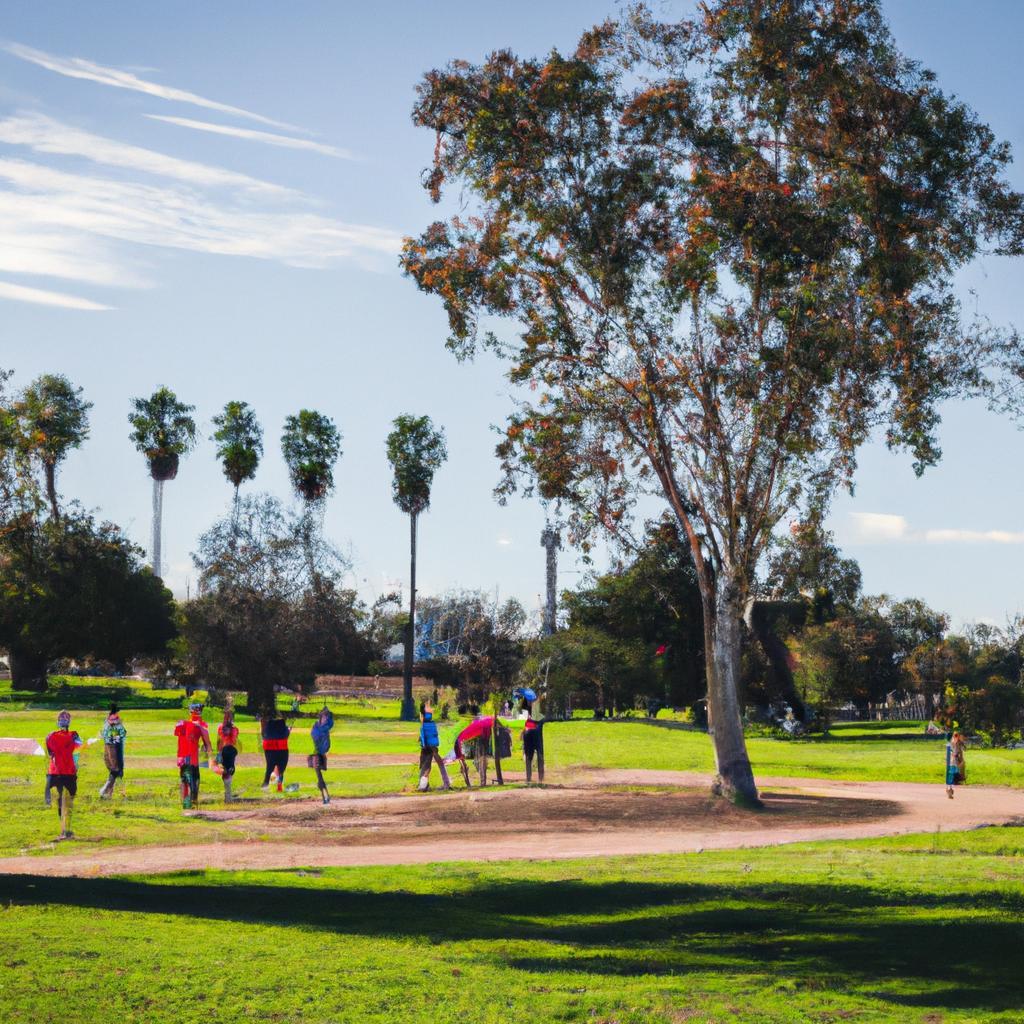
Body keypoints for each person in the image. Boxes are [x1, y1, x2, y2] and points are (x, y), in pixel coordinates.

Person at [45, 710, 83, 839]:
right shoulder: (75, 736)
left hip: (55, 773)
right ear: (69, 722)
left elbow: (50, 754)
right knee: (68, 801)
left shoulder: (50, 736)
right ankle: (67, 830)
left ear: (57, 722)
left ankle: (64, 830)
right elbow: (77, 754)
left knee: (60, 800)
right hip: (69, 772)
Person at [174, 701, 212, 809]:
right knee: (194, 778)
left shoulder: (182, 723)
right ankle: (193, 801)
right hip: (192, 757)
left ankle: (186, 802)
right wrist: (210, 757)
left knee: (185, 779)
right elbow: (207, 744)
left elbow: (178, 734)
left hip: (183, 756)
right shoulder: (202, 726)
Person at [417, 702, 451, 792]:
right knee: (427, 765)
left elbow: (424, 734)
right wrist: (428, 746)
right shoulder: (427, 724)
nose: (431, 708)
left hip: (429, 746)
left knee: (426, 765)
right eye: (428, 706)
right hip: (430, 747)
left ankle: (424, 785)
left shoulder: (428, 724)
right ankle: (423, 786)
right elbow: (426, 734)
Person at [515, 687, 546, 784]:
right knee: (530, 757)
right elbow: (524, 724)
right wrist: (523, 732)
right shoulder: (526, 715)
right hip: (530, 738)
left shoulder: (537, 715)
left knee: (538, 756)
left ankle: (540, 779)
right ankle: (529, 779)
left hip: (535, 738)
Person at [98, 704, 127, 799]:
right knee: (114, 769)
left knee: (113, 769)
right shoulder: (114, 720)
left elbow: (119, 733)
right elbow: (122, 733)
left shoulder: (108, 720)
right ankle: (107, 792)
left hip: (110, 745)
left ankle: (106, 791)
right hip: (113, 745)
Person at [310, 706, 335, 804]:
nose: (324, 719)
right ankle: (326, 796)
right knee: (319, 777)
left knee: (319, 777)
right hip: (316, 753)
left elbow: (325, 745)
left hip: (319, 754)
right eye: (323, 717)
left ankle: (325, 797)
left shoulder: (325, 728)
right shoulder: (318, 726)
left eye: (326, 717)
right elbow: (314, 734)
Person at [261, 713, 290, 792]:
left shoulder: (269, 723)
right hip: (280, 745)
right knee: (281, 767)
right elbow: (286, 734)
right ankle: (277, 785)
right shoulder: (280, 724)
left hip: (271, 744)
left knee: (270, 766)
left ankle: (266, 784)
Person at [216, 709, 240, 802]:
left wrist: (219, 752)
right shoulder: (234, 729)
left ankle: (228, 796)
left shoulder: (222, 728)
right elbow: (234, 738)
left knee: (226, 772)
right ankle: (228, 797)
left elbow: (220, 740)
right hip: (229, 750)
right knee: (228, 772)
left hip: (225, 750)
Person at [946, 731, 967, 799]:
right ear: (953, 737)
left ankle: (951, 788)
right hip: (952, 762)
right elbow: (951, 753)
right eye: (955, 736)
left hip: (955, 763)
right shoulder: (950, 744)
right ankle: (949, 789)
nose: (956, 738)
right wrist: (955, 755)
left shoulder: (958, 744)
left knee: (954, 775)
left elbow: (962, 750)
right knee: (951, 775)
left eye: (957, 736)